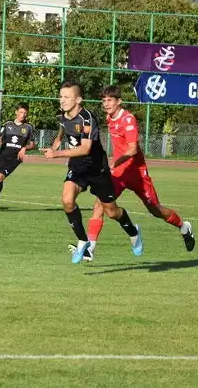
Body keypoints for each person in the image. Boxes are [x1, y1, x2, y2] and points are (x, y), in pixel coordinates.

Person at [71, 85, 195, 262]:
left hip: (136, 172)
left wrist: (116, 162)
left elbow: (132, 149)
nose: (106, 104)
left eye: (110, 100)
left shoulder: (128, 119)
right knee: (100, 203)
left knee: (155, 210)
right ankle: (90, 248)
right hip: (119, 172)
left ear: (119, 101)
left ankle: (184, 227)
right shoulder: (109, 118)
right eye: (104, 100)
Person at [42, 80, 143, 264]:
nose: (62, 100)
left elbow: (85, 149)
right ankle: (82, 241)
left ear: (78, 99)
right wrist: (56, 141)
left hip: (97, 170)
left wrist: (57, 153)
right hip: (77, 168)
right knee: (67, 200)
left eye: (67, 97)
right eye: (61, 96)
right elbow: (63, 128)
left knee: (112, 212)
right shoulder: (63, 115)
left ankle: (134, 232)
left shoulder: (88, 119)